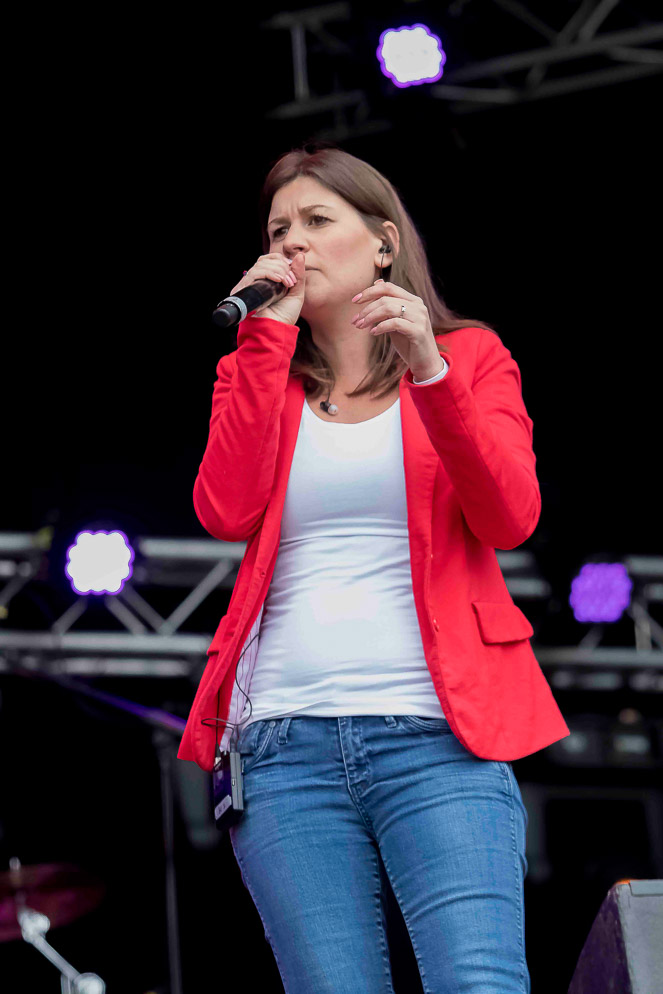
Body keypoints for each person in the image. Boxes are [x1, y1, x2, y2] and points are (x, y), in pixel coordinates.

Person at [178, 143, 570, 993]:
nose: (293, 243)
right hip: (282, 743)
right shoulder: (255, 372)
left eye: (317, 220)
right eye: (278, 230)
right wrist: (262, 342)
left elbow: (510, 517)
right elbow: (223, 511)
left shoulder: (469, 357)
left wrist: (430, 370)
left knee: (479, 983)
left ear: (383, 243)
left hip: (435, 734)